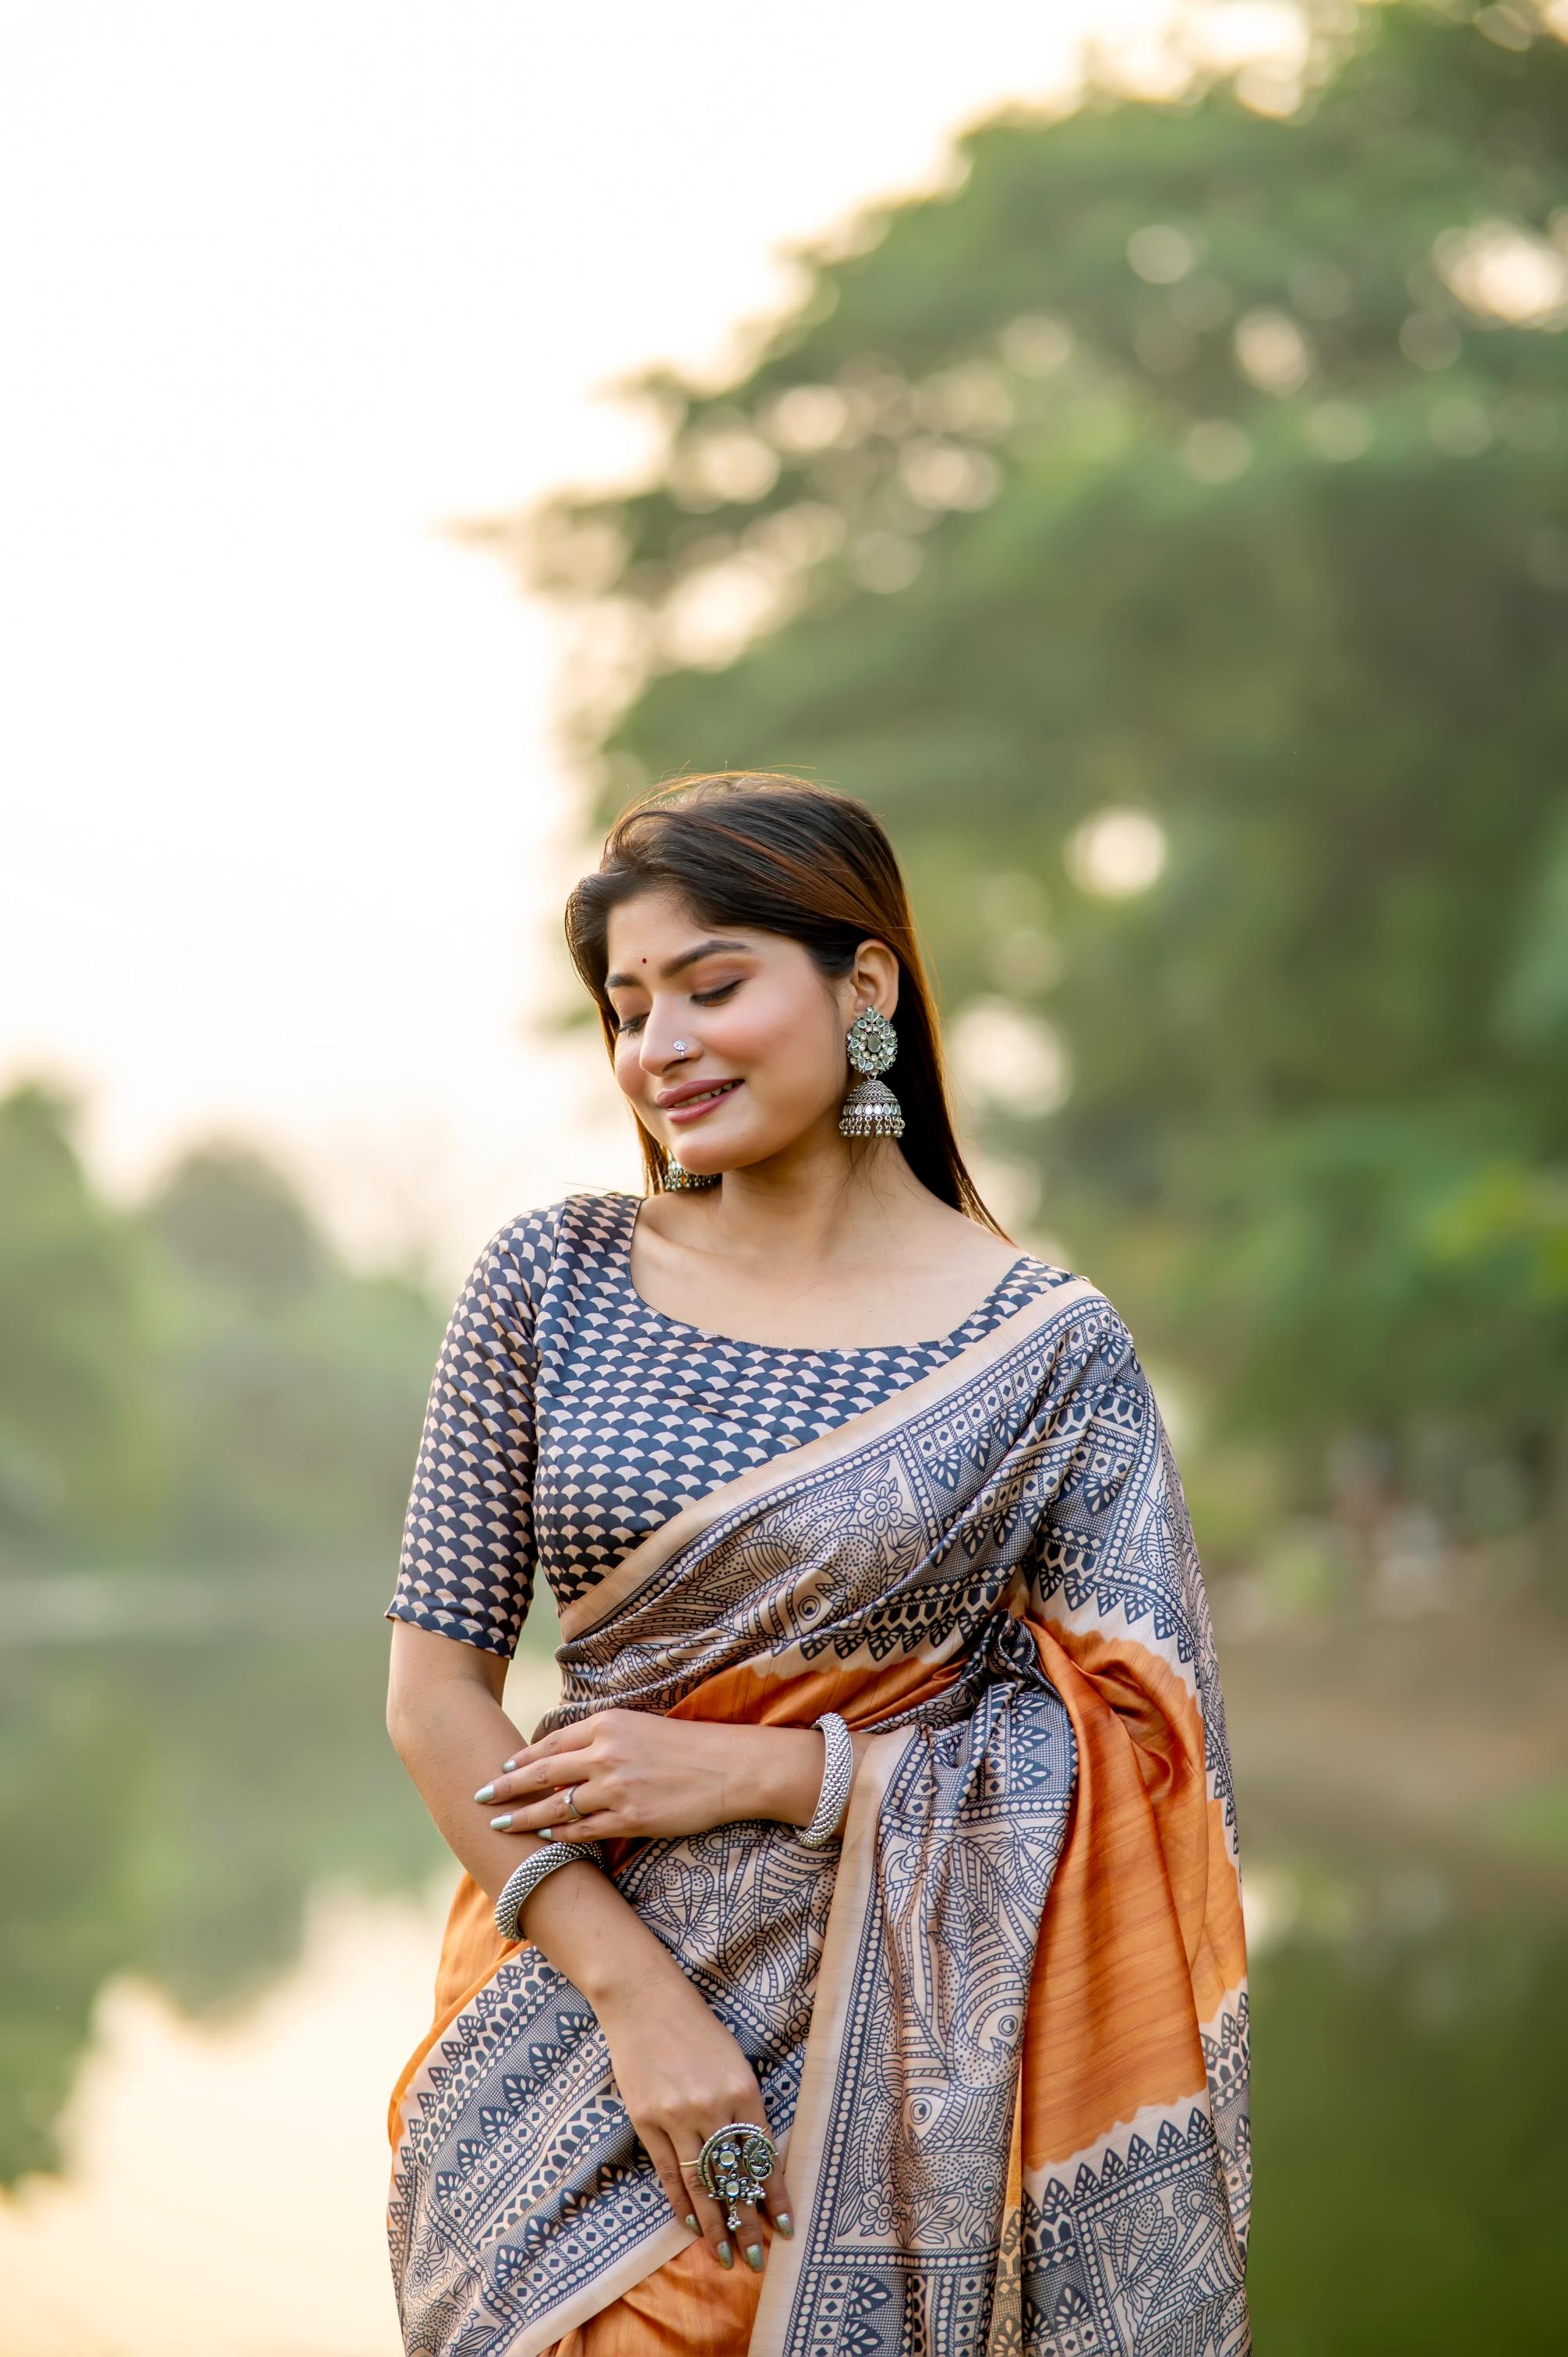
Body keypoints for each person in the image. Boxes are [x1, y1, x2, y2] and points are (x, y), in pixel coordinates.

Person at [382, 772, 1251, 2357]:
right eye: (629, 1006)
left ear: (865, 986)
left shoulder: (1046, 1355)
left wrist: (773, 1776)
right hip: (570, 2057)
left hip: (913, 2095)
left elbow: (1147, 1754)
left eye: (713, 986)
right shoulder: (544, 1283)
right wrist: (636, 2001)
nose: (659, 1046)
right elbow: (436, 1696)